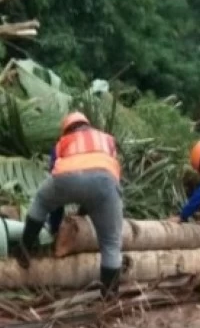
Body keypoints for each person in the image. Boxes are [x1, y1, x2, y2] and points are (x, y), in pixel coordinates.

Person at [16, 112, 124, 296]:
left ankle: (24, 249)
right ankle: (110, 298)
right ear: (87, 125)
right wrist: (87, 210)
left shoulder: (63, 143)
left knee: (41, 201)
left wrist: (54, 227)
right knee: (111, 243)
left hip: (67, 178)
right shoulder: (107, 140)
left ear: (66, 130)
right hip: (105, 184)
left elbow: (55, 192)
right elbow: (108, 173)